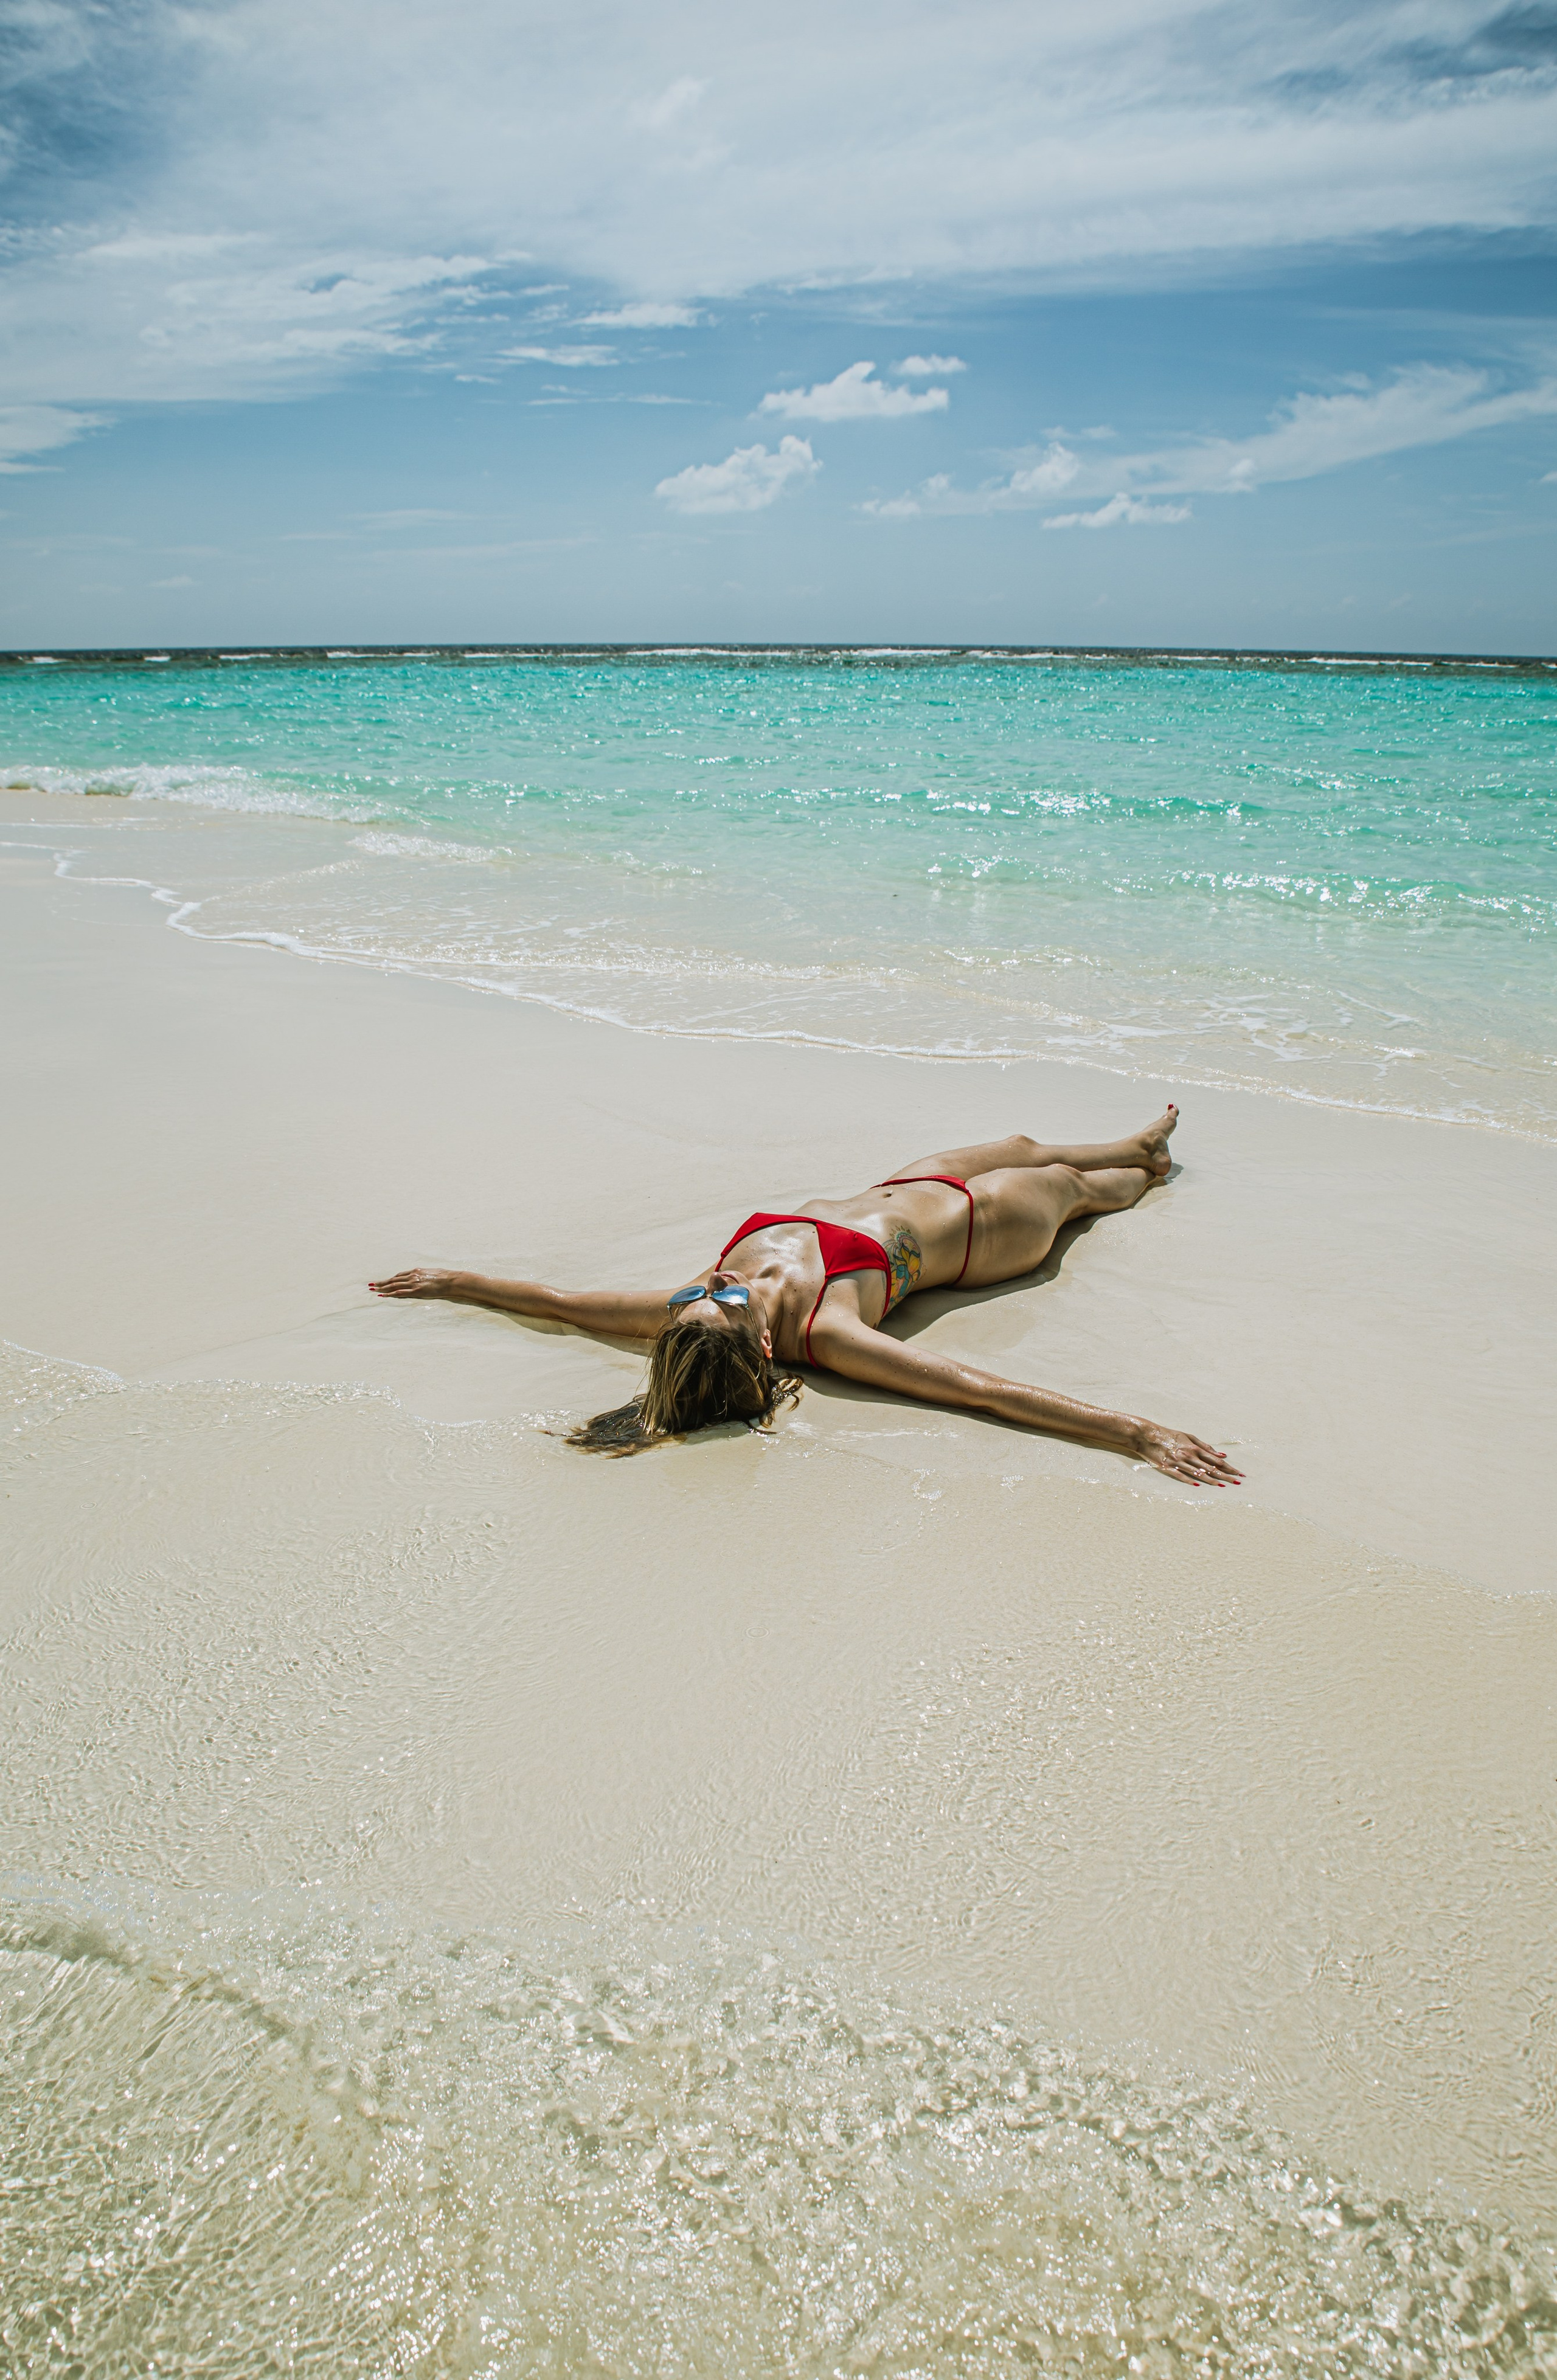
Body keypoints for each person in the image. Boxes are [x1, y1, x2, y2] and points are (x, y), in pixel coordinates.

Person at [370, 1104, 1242, 1486]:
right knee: (1073, 1186)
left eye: (699, 1290)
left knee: (1022, 1137)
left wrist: (455, 1279)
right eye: (729, 1301)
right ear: (763, 1349)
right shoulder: (830, 1331)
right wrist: (1137, 1432)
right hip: (984, 1228)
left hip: (907, 1182)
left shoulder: (687, 1317)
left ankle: (1129, 1140)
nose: (720, 1282)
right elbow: (979, 1390)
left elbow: (560, 1301)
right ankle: (1144, 1172)